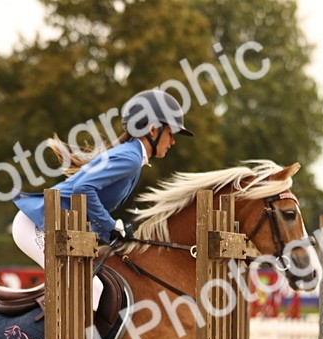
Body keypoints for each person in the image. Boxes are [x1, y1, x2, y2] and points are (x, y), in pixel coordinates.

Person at [11, 88, 192, 311]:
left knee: (95, 287)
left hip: (53, 226)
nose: (173, 141)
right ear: (153, 130)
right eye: (171, 133)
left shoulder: (133, 157)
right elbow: (82, 188)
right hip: (36, 225)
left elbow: (88, 200)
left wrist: (114, 235)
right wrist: (110, 225)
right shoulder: (131, 158)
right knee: (93, 289)